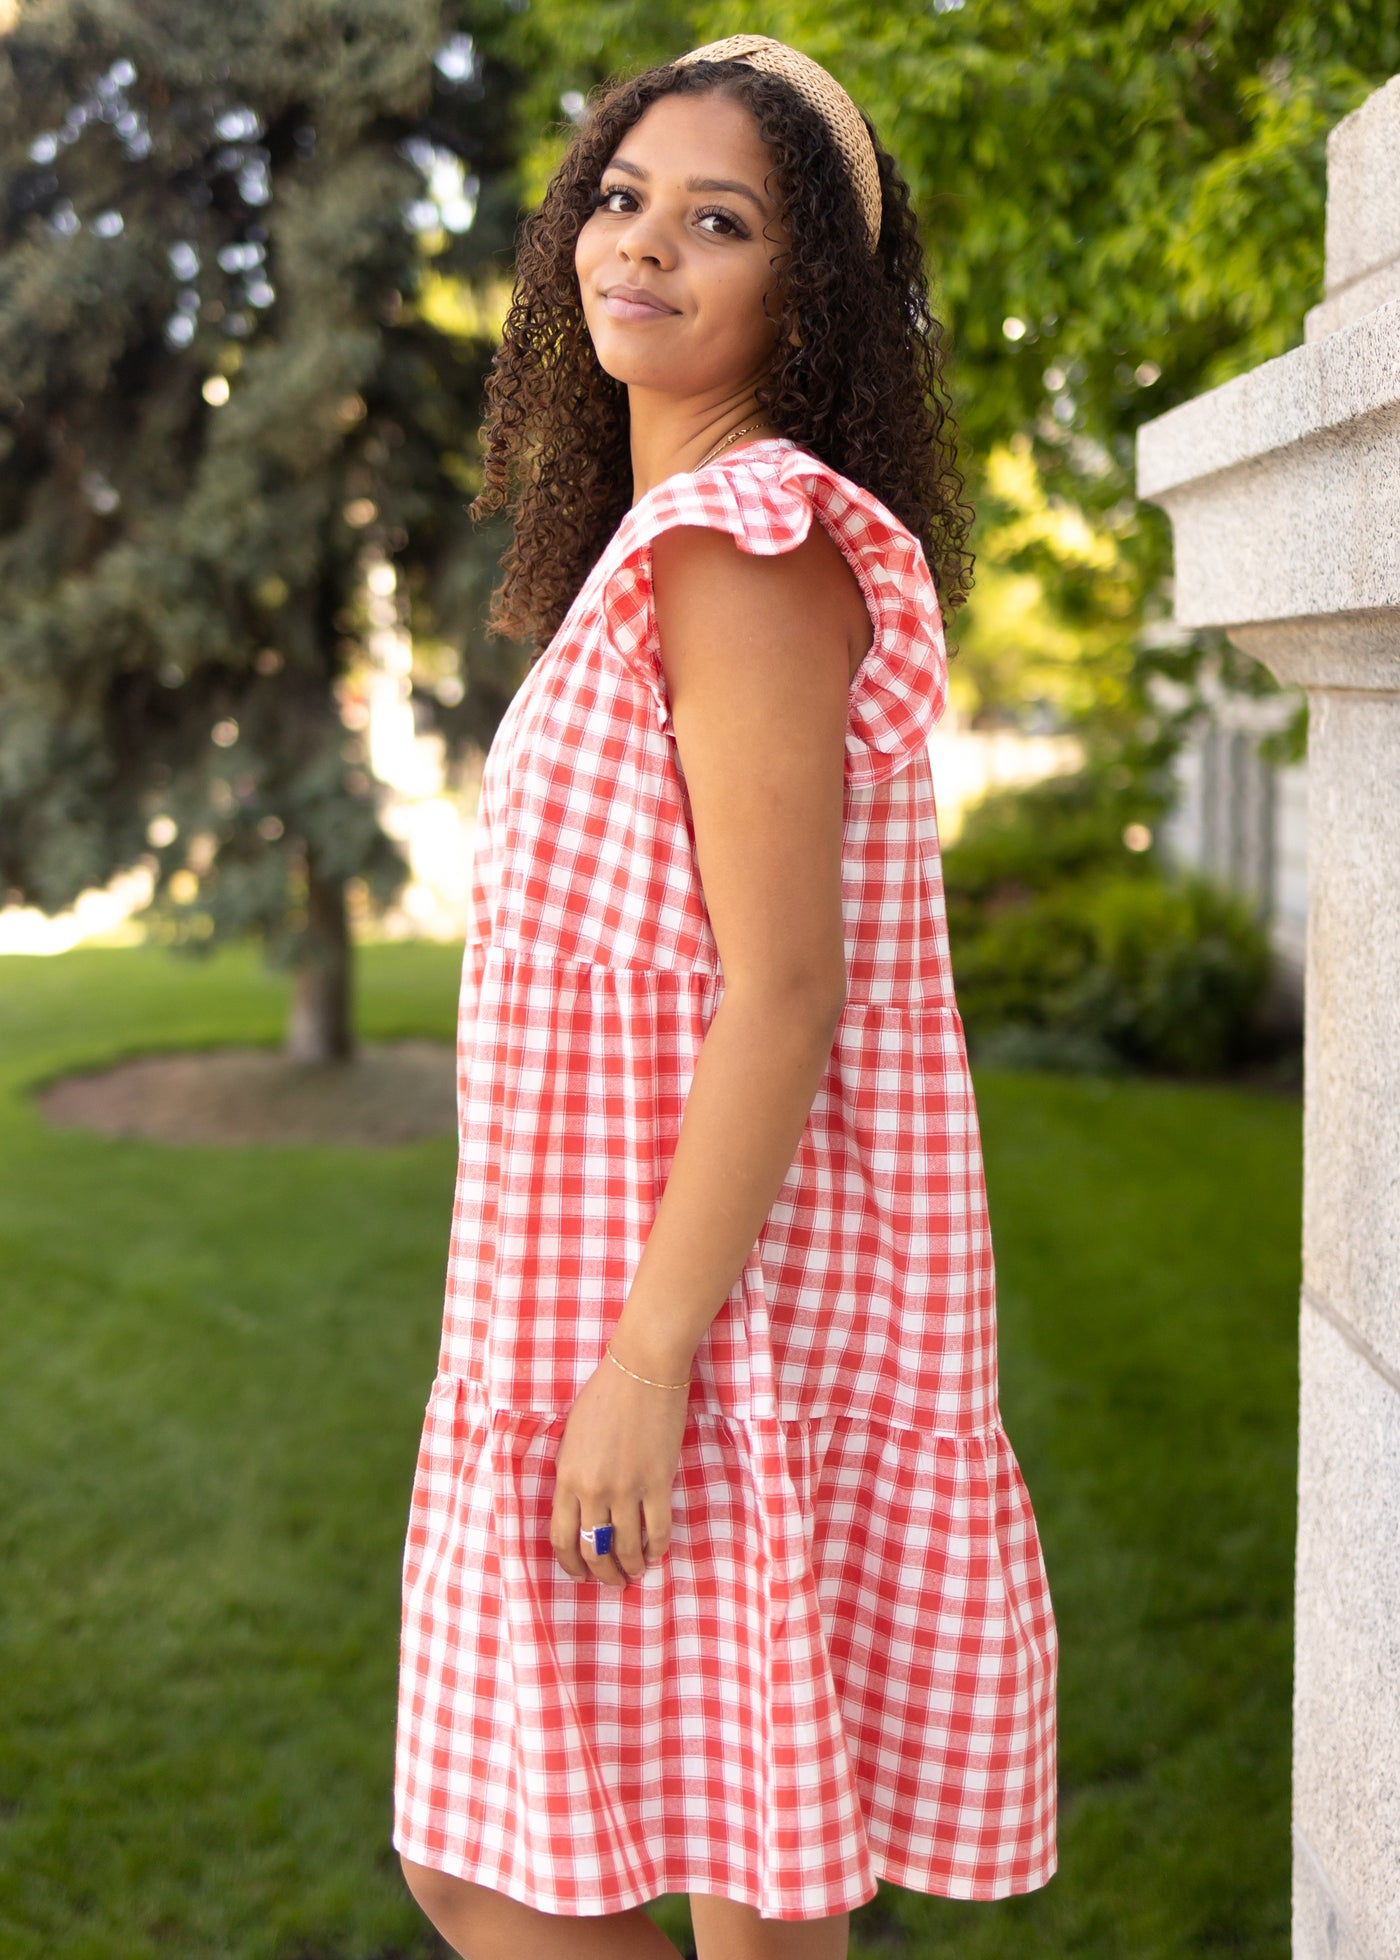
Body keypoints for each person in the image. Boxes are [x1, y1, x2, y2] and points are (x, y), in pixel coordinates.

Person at [394, 34, 1057, 1960]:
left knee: (693, 1885)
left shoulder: (746, 544)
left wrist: (645, 1361)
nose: (647, 247)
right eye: (622, 200)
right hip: (592, 1279)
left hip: (702, 1321)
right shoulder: (663, 542)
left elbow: (783, 996)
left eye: (720, 220)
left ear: (807, 293)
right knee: (624, 1858)